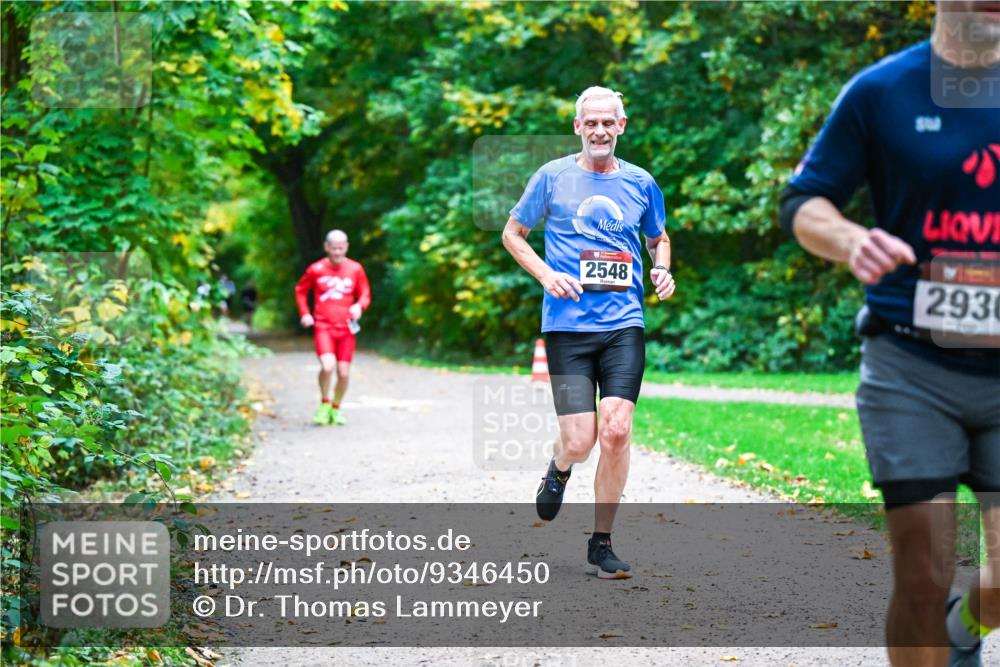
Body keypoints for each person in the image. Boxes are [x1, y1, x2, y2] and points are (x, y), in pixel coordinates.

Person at [780, 3, 999, 664]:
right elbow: (805, 200)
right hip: (911, 368)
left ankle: (967, 626)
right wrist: (850, 239)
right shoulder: (881, 91)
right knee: (923, 575)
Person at [501, 86, 675, 579]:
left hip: (624, 324)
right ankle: (559, 469)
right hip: (567, 328)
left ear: (622, 126)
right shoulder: (552, 177)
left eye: (608, 123)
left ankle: (601, 543)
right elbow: (512, 234)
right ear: (578, 127)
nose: (600, 131)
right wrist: (545, 275)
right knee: (580, 441)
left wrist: (661, 269)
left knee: (616, 430)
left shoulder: (641, 182)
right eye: (590, 123)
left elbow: (658, 237)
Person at [295, 230, 371, 426]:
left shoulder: (355, 269)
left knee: (344, 373)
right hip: (323, 326)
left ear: (346, 247)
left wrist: (359, 306)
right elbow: (301, 291)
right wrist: (305, 313)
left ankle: (336, 408)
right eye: (334, 248)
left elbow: (365, 294)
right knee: (327, 366)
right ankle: (324, 402)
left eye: (341, 248)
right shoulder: (316, 269)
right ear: (326, 247)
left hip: (346, 328)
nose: (337, 252)